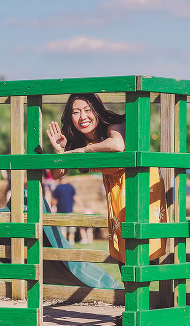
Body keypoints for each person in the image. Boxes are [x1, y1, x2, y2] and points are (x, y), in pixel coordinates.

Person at [47, 93, 166, 263]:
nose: (82, 116)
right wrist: (60, 151)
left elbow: (117, 145)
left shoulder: (113, 124)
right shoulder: (78, 140)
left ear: (97, 110)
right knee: (124, 254)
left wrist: (84, 150)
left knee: (143, 250)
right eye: (76, 112)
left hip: (140, 185)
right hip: (117, 194)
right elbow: (57, 174)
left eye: (88, 110)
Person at [52, 177, 77, 242]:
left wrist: (53, 207)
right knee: (71, 228)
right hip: (70, 211)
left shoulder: (57, 188)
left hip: (61, 211)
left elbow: (55, 200)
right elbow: (75, 198)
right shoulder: (71, 187)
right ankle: (71, 241)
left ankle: (64, 242)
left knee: (63, 229)